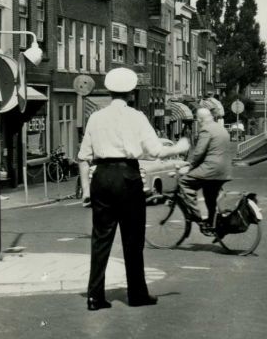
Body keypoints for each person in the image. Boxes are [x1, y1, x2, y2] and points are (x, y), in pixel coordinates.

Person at [77, 67, 189, 311]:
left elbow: (83, 157)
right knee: (132, 239)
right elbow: (156, 151)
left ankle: (95, 297)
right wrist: (179, 146)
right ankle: (137, 294)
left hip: (102, 177)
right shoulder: (137, 117)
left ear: (108, 91)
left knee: (101, 239)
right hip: (128, 177)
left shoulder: (95, 117)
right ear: (131, 93)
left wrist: (86, 190)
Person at [179, 106, 232, 229]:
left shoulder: (206, 130)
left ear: (200, 119)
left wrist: (189, 166)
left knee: (184, 182)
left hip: (211, 168)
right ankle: (211, 223)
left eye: (198, 119)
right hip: (224, 170)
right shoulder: (221, 129)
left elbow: (199, 152)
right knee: (209, 195)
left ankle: (195, 216)